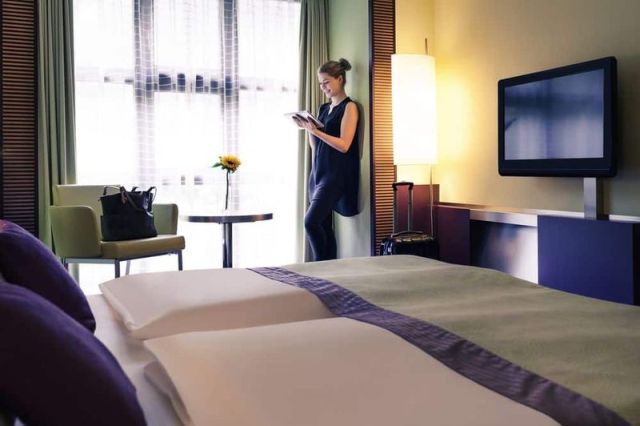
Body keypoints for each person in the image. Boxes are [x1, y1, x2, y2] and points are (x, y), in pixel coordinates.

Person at [293, 58, 360, 261]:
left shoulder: (349, 107)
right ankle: (330, 269)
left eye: (326, 82)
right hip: (319, 172)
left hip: (335, 175)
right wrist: (308, 129)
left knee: (310, 222)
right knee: (323, 224)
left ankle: (319, 267)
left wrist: (317, 131)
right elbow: (316, 146)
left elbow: (344, 144)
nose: (323, 87)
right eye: (321, 84)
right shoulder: (324, 109)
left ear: (340, 79)